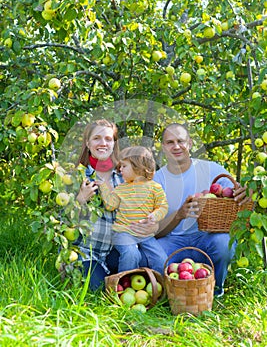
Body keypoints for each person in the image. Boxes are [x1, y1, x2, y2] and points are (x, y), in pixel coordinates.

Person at [151, 123, 250, 297]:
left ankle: (215, 290)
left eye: (180, 141)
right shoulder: (156, 181)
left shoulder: (210, 169)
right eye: (170, 142)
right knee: (152, 255)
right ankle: (172, 295)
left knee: (223, 243)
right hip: (172, 241)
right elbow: (155, 232)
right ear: (164, 147)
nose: (176, 146)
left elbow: (235, 195)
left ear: (189, 143)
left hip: (206, 237)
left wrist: (243, 193)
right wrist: (178, 216)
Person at [75, 119, 158, 290]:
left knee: (144, 261)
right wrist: (79, 201)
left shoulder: (123, 176)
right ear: (87, 143)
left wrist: (149, 223)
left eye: (108, 139)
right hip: (87, 253)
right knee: (98, 291)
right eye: (97, 138)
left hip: (115, 250)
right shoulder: (77, 176)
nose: (103, 143)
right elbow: (60, 224)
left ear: (114, 143)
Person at [97, 146, 168, 275]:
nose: (120, 169)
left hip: (144, 234)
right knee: (131, 254)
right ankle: (124, 284)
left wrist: (155, 216)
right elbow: (111, 205)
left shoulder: (155, 187)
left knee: (161, 258)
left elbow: (162, 206)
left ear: (138, 167)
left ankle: (160, 287)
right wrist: (103, 186)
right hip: (123, 232)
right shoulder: (121, 188)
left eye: (124, 166)